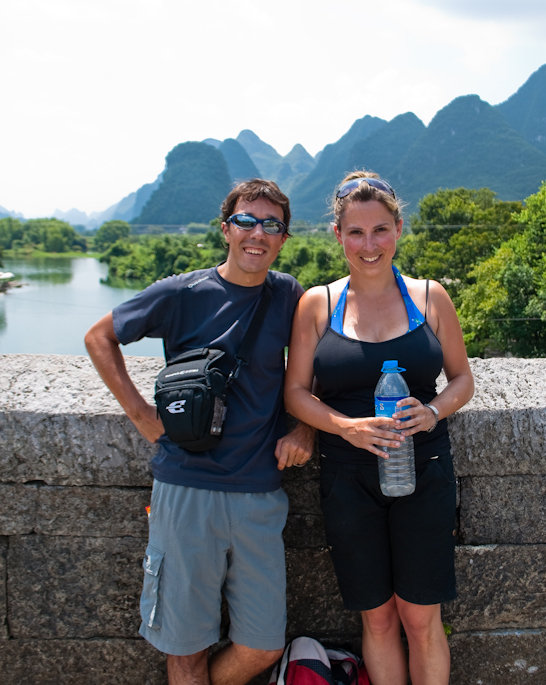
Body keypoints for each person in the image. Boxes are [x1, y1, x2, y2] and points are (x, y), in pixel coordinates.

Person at [85, 178, 315, 685]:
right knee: (185, 648)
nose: (257, 233)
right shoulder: (182, 293)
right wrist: (141, 414)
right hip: (186, 488)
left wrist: (306, 430)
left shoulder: (288, 295)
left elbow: (312, 367)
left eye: (271, 225)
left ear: (283, 238)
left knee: (262, 646)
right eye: (246, 221)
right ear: (226, 229)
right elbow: (99, 337)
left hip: (259, 493)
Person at [284, 171, 475, 685]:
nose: (369, 246)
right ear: (337, 235)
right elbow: (295, 392)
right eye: (356, 232)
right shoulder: (318, 304)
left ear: (399, 229)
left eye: (380, 230)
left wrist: (432, 411)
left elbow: (462, 380)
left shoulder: (431, 297)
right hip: (348, 477)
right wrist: (345, 427)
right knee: (379, 618)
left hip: (423, 469)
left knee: (421, 617)